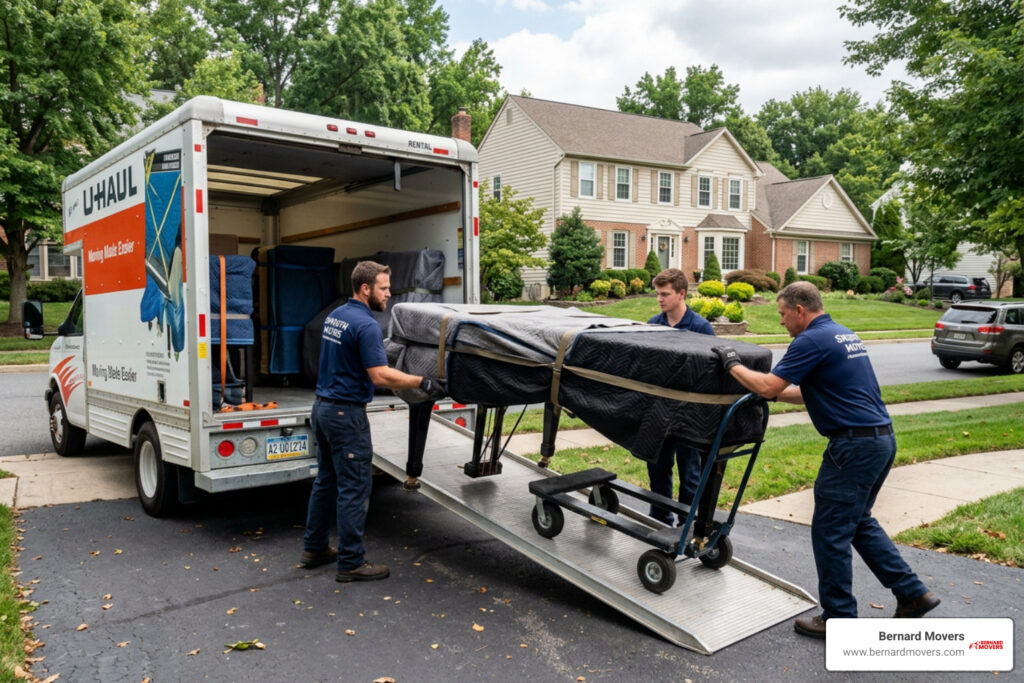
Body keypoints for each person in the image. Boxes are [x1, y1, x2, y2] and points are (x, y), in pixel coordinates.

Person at [711, 281, 939, 638]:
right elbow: (809, 393)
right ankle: (912, 594)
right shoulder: (841, 334)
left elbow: (770, 385)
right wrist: (767, 394)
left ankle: (839, 618)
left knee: (830, 532)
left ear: (800, 310)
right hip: (880, 440)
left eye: (783, 315)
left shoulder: (810, 340)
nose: (782, 322)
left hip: (852, 448)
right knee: (857, 521)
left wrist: (732, 366)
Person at [301, 261, 442, 582]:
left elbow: (349, 357)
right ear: (365, 289)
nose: (389, 294)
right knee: (354, 487)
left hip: (322, 409)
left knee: (326, 481)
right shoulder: (366, 325)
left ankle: (314, 548)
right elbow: (379, 375)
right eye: (383, 288)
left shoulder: (336, 317)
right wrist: (421, 381)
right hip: (346, 415)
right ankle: (350, 562)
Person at [645, 268, 714, 525]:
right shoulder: (653, 325)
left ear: (682, 294)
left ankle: (688, 523)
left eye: (665, 294)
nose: (660, 299)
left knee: (690, 472)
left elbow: (710, 373)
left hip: (689, 414)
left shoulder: (700, 328)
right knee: (658, 469)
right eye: (657, 294)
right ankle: (660, 519)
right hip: (658, 411)